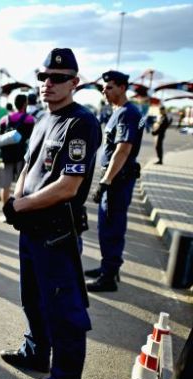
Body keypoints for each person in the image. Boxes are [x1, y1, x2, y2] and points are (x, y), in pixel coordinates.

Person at [0, 48, 101, 379]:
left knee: (65, 316)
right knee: (32, 300)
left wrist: (21, 207)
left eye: (58, 78)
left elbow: (68, 186)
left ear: (75, 82)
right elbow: (28, 165)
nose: (48, 84)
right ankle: (37, 352)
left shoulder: (82, 123)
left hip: (57, 235)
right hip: (31, 231)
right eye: (43, 77)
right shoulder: (44, 118)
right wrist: (16, 197)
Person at [85, 71, 144, 292]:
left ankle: (108, 277)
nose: (104, 90)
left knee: (111, 227)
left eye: (109, 87)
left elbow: (123, 150)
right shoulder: (118, 112)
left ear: (121, 87)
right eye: (104, 87)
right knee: (105, 225)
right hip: (116, 178)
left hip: (117, 180)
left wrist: (106, 181)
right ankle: (107, 268)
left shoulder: (128, 113)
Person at [0, 94, 35, 214]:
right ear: (25, 104)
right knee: (21, 185)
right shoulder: (30, 119)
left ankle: (6, 212)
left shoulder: (4, 119)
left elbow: (0, 136)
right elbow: (32, 138)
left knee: (5, 185)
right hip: (21, 155)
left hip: (6, 155)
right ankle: (18, 211)